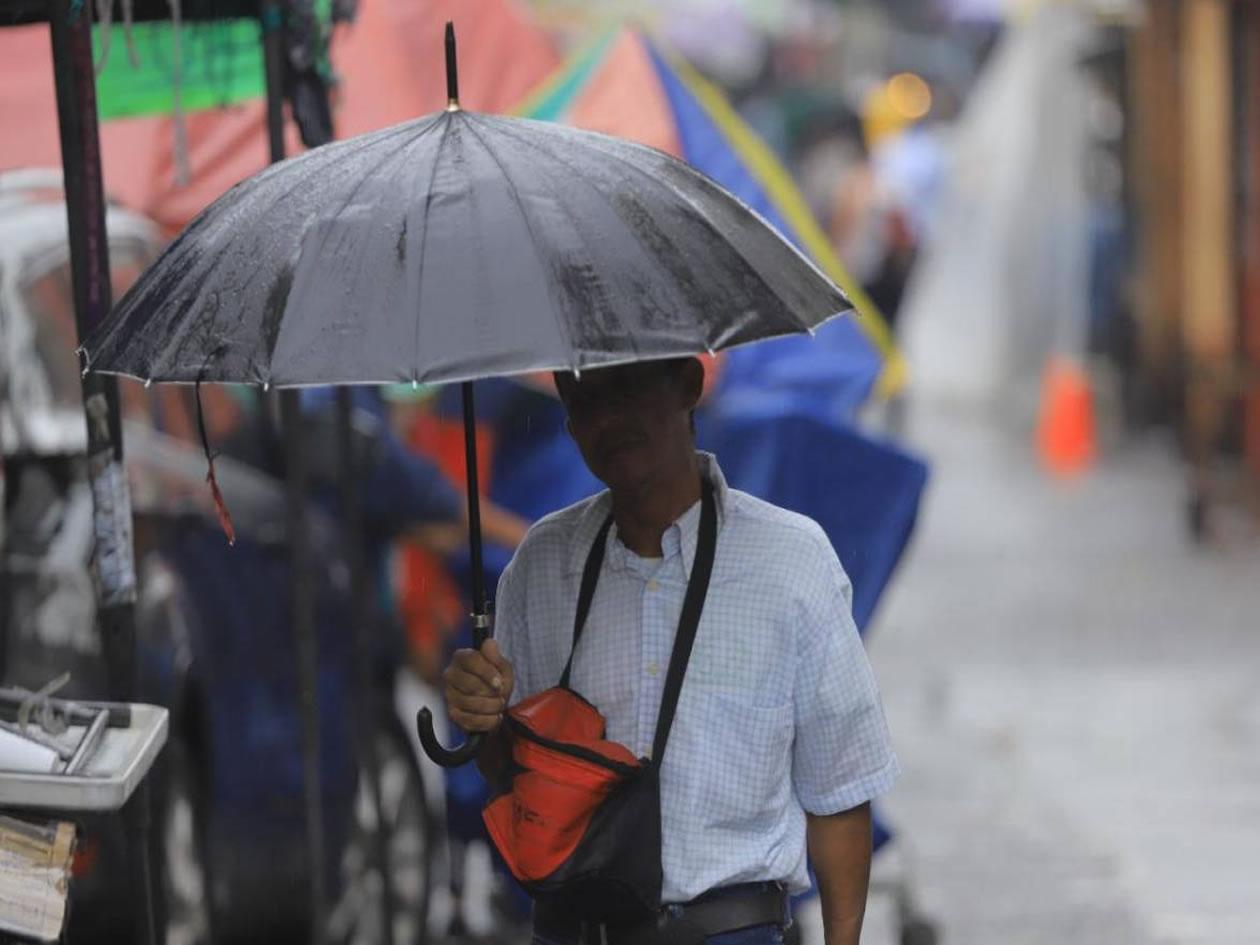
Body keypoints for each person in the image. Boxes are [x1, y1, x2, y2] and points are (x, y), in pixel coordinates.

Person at [441, 358, 898, 945]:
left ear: (687, 383)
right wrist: (483, 719)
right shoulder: (542, 564)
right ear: (567, 415)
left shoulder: (791, 563)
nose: (608, 416)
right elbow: (512, 775)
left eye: (628, 386)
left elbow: (839, 792)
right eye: (584, 397)